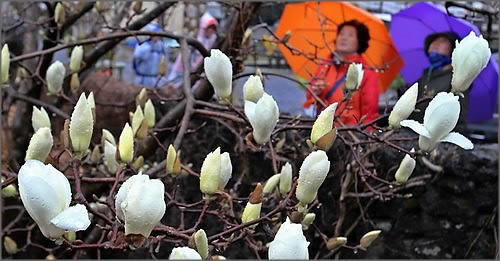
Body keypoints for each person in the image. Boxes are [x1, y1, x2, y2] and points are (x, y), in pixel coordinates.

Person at [303, 20, 379, 126]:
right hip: (321, 128)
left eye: (350, 35)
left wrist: (365, 138)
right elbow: (309, 97)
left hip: (349, 132)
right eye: (341, 34)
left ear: (359, 41)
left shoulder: (367, 73)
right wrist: (315, 92)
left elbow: (370, 113)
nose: (344, 38)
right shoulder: (325, 65)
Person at [399, 31, 469, 134]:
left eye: (443, 41)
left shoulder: (457, 80)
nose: (435, 44)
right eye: (433, 41)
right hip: (412, 136)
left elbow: (457, 120)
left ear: (454, 50)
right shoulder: (425, 77)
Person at [167, 12, 218, 88]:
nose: (210, 31)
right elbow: (183, 60)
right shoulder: (196, 41)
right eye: (209, 28)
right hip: (191, 73)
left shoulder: (214, 42)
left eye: (212, 28)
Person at [133, 22, 168, 87]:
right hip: (142, 80)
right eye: (154, 34)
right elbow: (136, 60)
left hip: (157, 80)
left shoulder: (161, 46)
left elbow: (165, 62)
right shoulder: (142, 46)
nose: (157, 37)